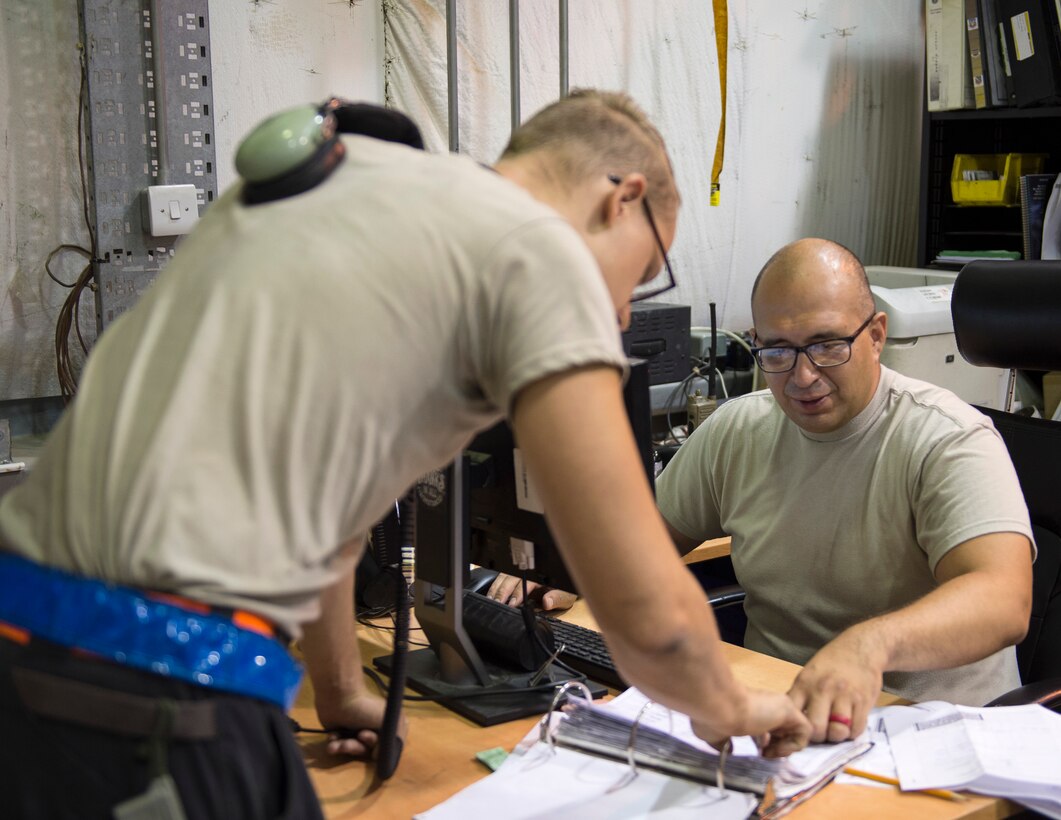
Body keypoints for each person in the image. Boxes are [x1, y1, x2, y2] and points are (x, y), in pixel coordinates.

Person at [0, 91, 809, 819]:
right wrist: (734, 711)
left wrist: (343, 689)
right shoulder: (534, 252)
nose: (625, 309)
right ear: (620, 197)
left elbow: (324, 502)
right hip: (148, 694)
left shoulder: (347, 175)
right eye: (644, 270)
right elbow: (651, 616)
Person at [656, 238, 1034, 742]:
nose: (802, 376)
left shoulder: (946, 437)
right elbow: (646, 543)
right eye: (777, 351)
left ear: (876, 335)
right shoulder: (737, 430)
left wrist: (869, 646)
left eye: (827, 345)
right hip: (777, 725)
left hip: (932, 738)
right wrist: (565, 572)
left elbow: (1004, 600)